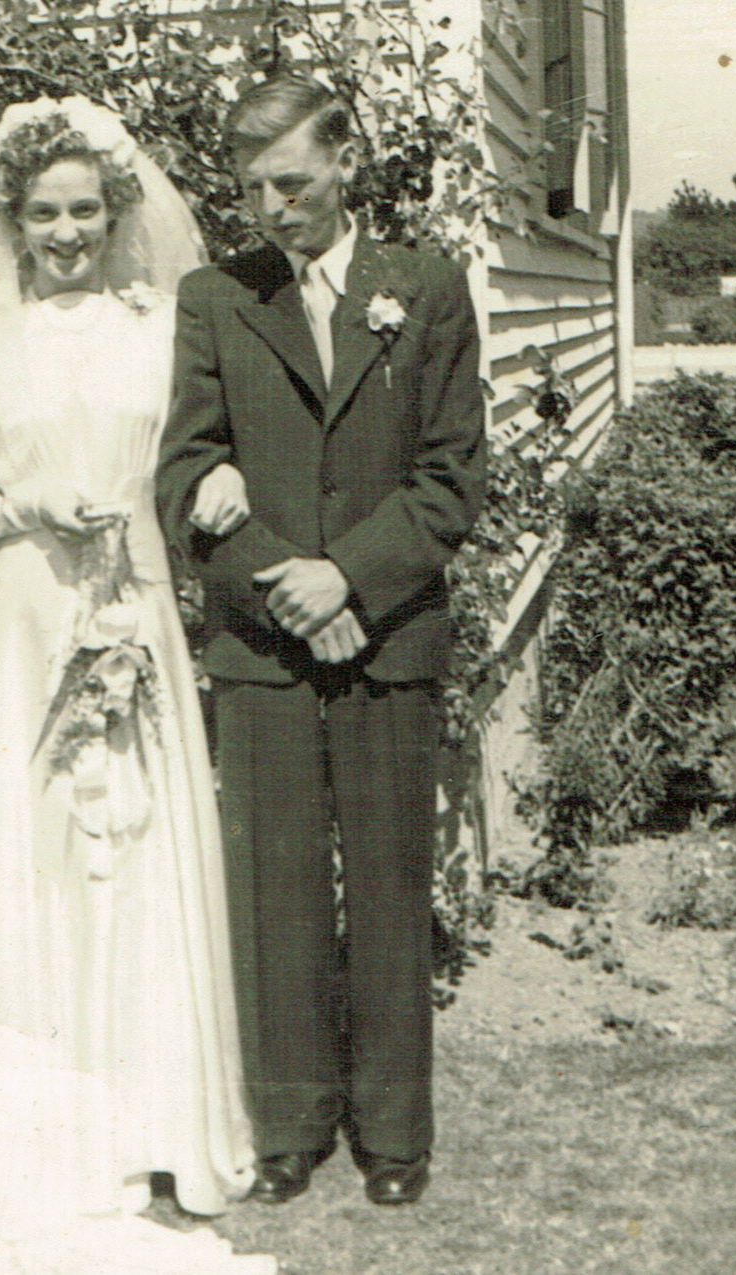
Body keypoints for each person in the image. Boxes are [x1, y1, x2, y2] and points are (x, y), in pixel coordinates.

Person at [0, 98, 274, 1275]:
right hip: (17, 623)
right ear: (13, 224)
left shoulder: (162, 327)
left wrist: (216, 480)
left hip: (131, 606)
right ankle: (30, 1124)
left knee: (131, 853)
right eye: (44, 215)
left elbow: (200, 446)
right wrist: (14, 508)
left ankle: (150, 1127)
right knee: (26, 858)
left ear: (116, 213)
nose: (67, 233)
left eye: (86, 210)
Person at [157, 75, 486, 1208]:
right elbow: (184, 473)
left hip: (389, 634)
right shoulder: (214, 298)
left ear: (345, 162)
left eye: (291, 182)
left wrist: (347, 573)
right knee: (276, 890)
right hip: (264, 649)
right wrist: (283, 585)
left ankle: (395, 1133)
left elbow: (451, 482)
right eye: (252, 189)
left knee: (391, 886)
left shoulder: (426, 291)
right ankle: (289, 1122)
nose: (272, 208)